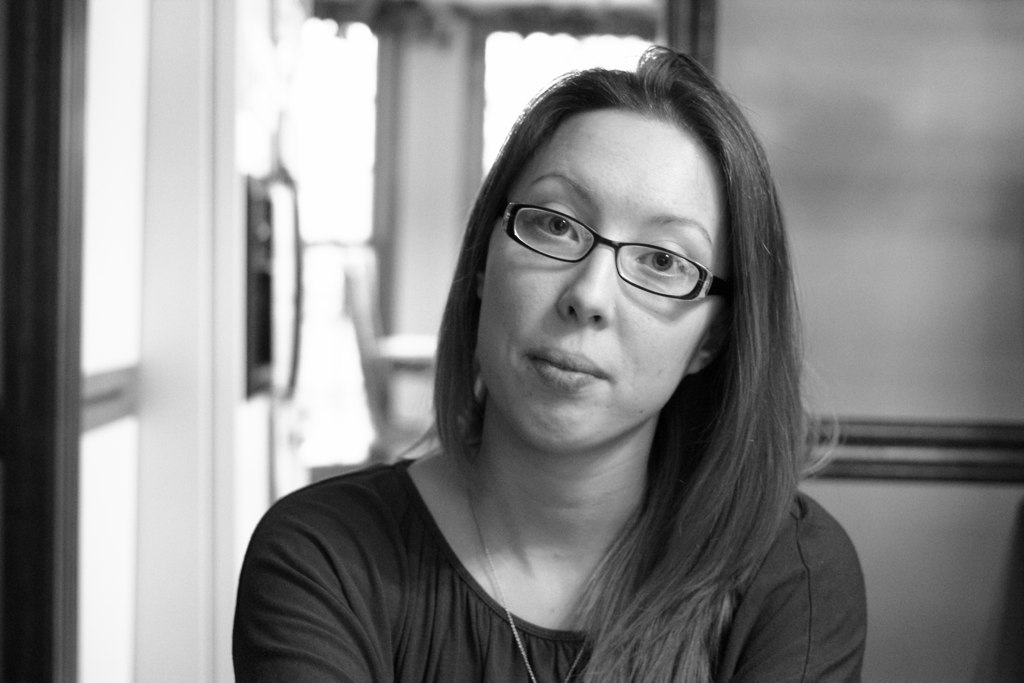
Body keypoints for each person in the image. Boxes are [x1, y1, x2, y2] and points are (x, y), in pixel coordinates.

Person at [233, 46, 866, 682]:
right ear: (483, 260)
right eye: (556, 225)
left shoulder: (793, 575)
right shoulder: (323, 555)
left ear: (710, 338)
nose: (588, 296)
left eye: (664, 262)